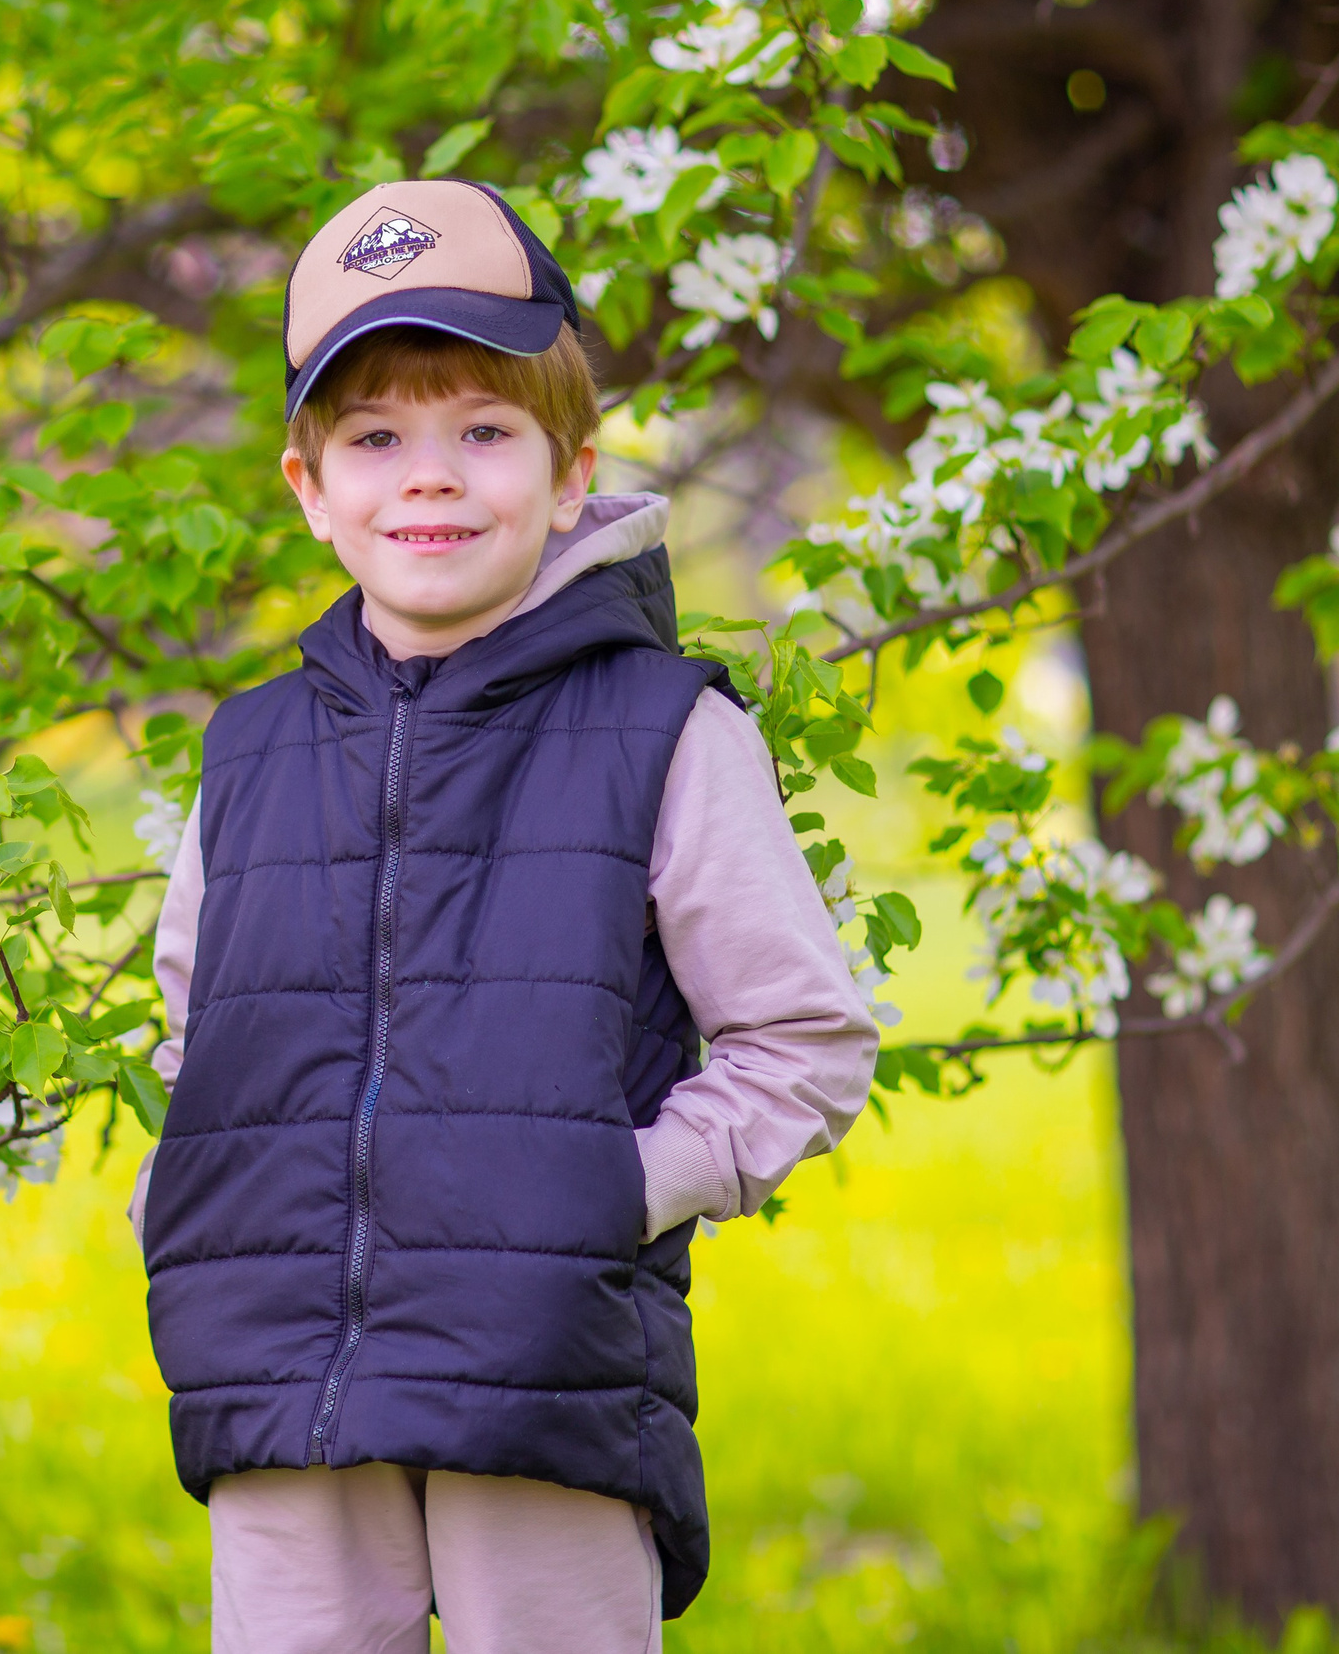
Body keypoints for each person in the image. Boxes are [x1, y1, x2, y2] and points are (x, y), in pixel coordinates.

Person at [128, 178, 878, 1654]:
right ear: (308, 486)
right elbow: (192, 1033)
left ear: (570, 470)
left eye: (484, 431)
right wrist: (189, 1210)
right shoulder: (251, 751)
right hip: (277, 1370)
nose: (431, 478)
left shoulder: (664, 730)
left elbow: (803, 1041)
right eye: (377, 438)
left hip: (542, 1370)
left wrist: (610, 1191)